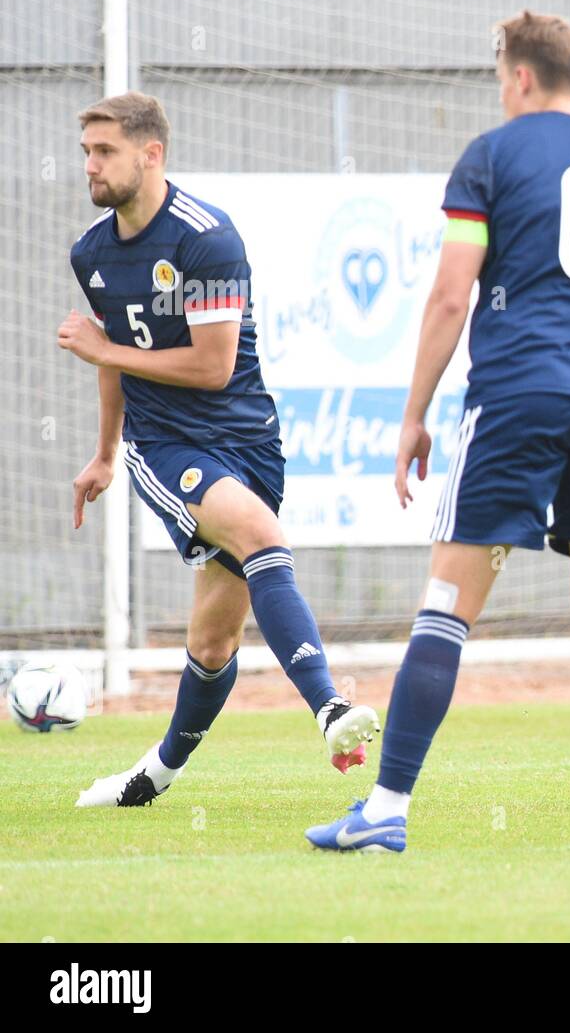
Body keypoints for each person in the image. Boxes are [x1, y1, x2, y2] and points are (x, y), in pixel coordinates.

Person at [306, 12, 570, 855]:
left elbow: (451, 296)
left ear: (519, 75)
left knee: (447, 606)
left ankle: (385, 809)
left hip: (516, 397)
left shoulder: (491, 156)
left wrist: (413, 413)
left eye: (498, 71)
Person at [63, 92, 378, 809]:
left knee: (212, 640)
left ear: (151, 154)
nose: (90, 165)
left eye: (104, 150)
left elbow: (211, 364)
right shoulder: (92, 252)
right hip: (166, 443)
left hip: (250, 443)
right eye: (85, 151)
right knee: (264, 535)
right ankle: (330, 708)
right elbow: (117, 362)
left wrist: (102, 347)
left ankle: (154, 776)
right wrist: (107, 453)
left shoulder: (207, 239)